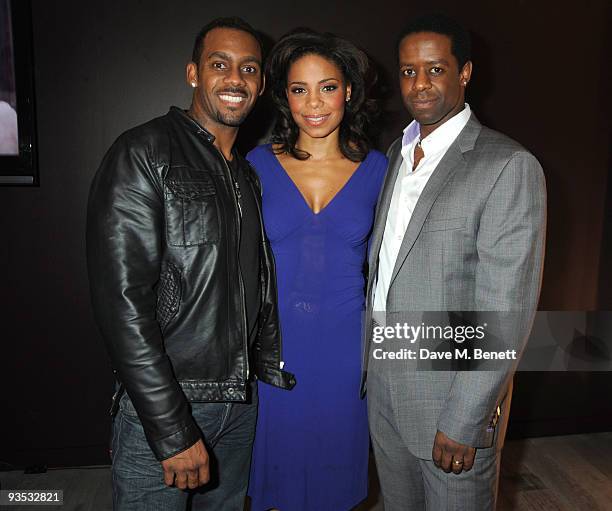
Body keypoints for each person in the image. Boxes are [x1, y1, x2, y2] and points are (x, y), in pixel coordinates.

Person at [86, 17, 295, 511]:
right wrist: (173, 427)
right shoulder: (143, 151)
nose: (235, 78)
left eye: (249, 68)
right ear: (194, 73)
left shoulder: (246, 172)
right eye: (219, 64)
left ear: (261, 85)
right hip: (167, 405)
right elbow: (122, 307)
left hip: (239, 405)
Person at [363, 14, 546, 510]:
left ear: (464, 73)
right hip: (383, 384)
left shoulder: (506, 165)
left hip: (449, 401)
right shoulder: (397, 156)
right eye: (407, 72)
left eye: (434, 69)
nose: (419, 84)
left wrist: (466, 416)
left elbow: (505, 309)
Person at [246, 30, 387, 511]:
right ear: (284, 96)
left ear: (348, 90)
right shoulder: (256, 165)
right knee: (276, 484)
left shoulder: (380, 170)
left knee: (334, 485)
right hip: (274, 345)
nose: (314, 103)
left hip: (346, 350)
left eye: (327, 87)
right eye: (299, 89)